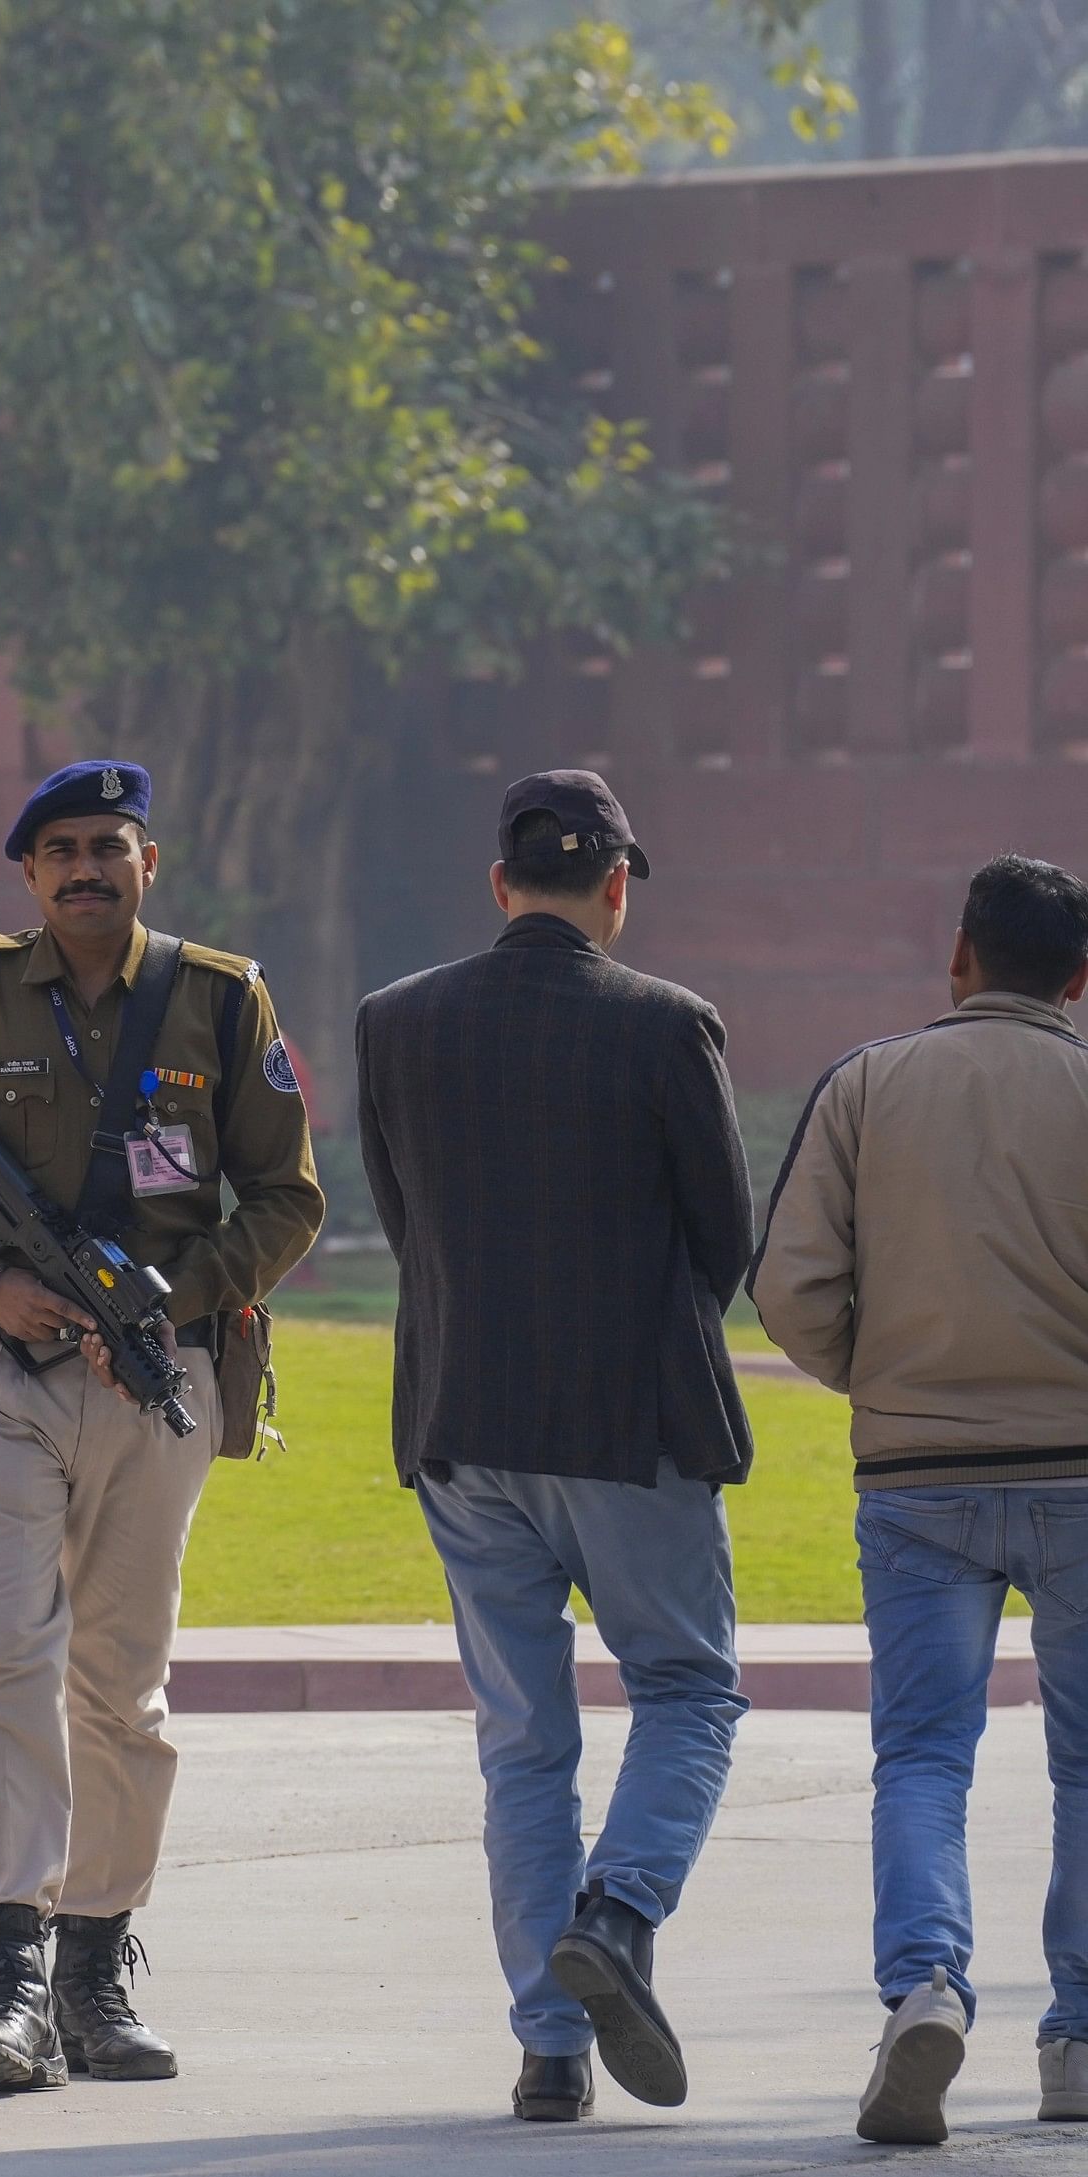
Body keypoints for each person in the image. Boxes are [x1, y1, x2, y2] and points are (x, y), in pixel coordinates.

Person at [0, 759, 324, 2092]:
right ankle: (5, 1968)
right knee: (0, 1651)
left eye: (105, 846)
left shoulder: (220, 1002)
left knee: (120, 1683)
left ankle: (93, 1959)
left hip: (153, 1377)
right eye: (57, 850)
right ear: (26, 873)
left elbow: (285, 1201)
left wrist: (178, 1293)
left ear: (146, 862)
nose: (82, 871)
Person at [355, 770, 754, 2124]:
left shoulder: (392, 1022)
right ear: (615, 889)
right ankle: (619, 1915)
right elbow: (721, 1240)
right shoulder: (663, 1026)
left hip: (461, 1421)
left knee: (521, 1742)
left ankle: (544, 2048)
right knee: (687, 1690)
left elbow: (405, 1218)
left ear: (496, 882)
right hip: (625, 1426)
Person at [755, 852, 1088, 2148]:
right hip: (1078, 1468)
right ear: (1074, 978)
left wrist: (870, 1374)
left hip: (915, 1476)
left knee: (921, 1757)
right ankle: (1073, 2042)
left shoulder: (864, 1084)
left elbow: (783, 1280)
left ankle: (922, 1986)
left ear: (957, 956)